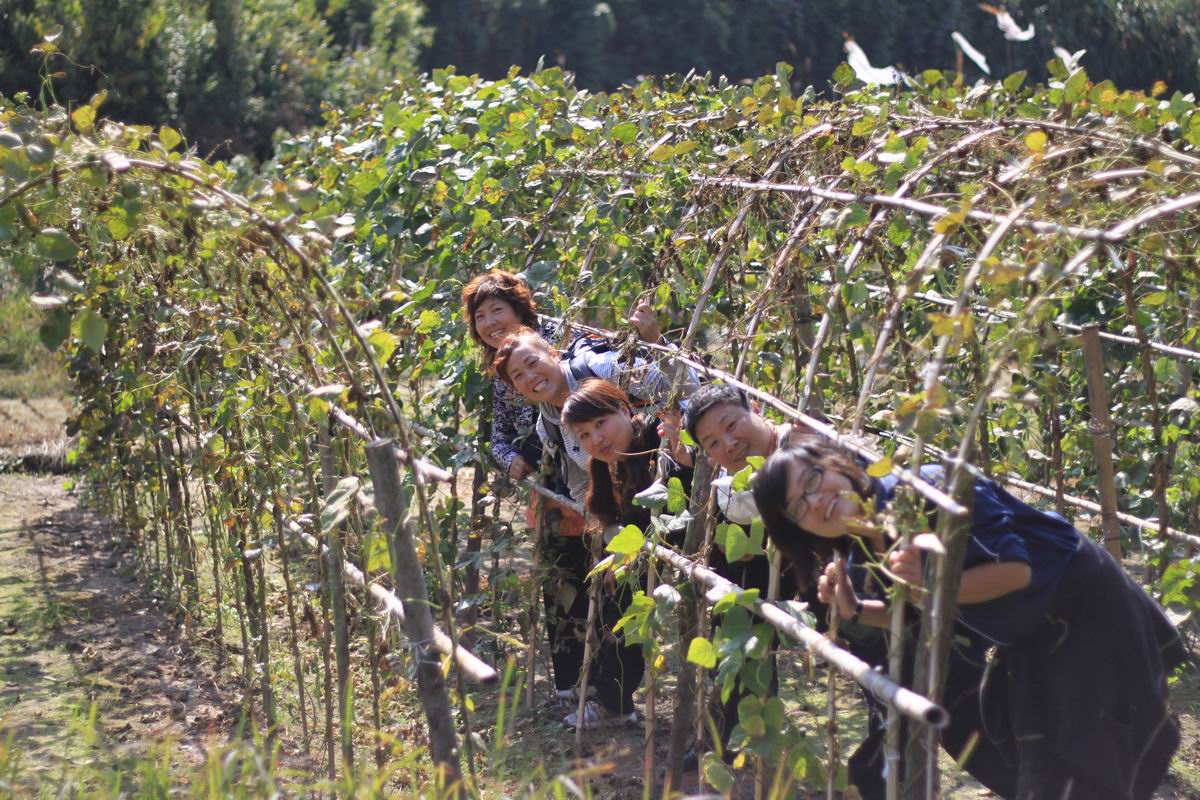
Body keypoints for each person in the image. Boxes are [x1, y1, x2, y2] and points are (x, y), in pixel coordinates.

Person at [752, 437, 1187, 800]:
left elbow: (1017, 572)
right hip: (1030, 633)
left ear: (838, 463)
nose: (816, 503)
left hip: (1084, 607)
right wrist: (852, 607)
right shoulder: (858, 545)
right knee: (1053, 768)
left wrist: (928, 583)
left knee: (1092, 760)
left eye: (813, 480)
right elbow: (913, 614)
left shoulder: (922, 493)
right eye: (798, 508)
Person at [461, 271, 661, 703]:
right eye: (481, 316)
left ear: (522, 312)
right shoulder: (513, 381)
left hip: (626, 469)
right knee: (566, 580)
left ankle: (611, 691)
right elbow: (499, 434)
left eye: (499, 309)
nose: (492, 321)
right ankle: (577, 683)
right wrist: (510, 459)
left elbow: (656, 380)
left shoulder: (572, 355)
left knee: (618, 580)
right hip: (565, 480)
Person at [558, 378, 693, 727]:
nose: (596, 439)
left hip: (678, 548)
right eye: (584, 435)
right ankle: (609, 697)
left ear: (623, 409)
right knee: (613, 606)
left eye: (601, 424)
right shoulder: (607, 462)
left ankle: (613, 704)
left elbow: (682, 499)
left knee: (628, 616)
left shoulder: (655, 439)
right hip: (644, 553)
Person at [493, 327, 695, 507]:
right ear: (515, 389)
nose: (530, 376)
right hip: (637, 504)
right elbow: (580, 485)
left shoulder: (602, 368)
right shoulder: (547, 427)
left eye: (532, 362)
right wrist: (605, 525)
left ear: (553, 355)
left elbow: (685, 390)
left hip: (686, 478)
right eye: (518, 376)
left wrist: (683, 443)